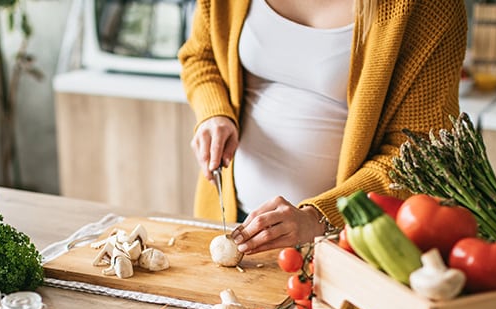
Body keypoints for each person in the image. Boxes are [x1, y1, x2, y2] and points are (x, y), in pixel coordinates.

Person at [178, 0, 467, 255]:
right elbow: (200, 57)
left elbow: (419, 155)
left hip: (344, 242)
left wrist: (319, 217)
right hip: (229, 218)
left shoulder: (426, 6)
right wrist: (214, 113)